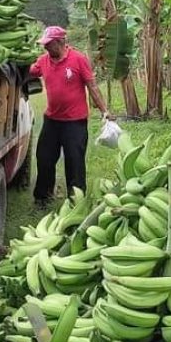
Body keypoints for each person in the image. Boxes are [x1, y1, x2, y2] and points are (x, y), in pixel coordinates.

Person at [27, 26, 110, 208]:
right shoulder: (43, 61)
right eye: (44, 45)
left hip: (75, 122)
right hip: (52, 121)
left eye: (49, 44)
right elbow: (30, 71)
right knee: (44, 158)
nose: (46, 48)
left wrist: (104, 110)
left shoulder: (78, 59)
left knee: (74, 162)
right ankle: (43, 197)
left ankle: (76, 202)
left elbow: (92, 86)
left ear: (61, 42)